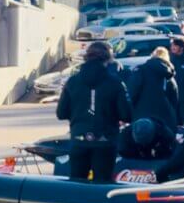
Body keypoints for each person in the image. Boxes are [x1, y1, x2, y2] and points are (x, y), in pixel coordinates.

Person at [56, 41, 132, 182]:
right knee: (102, 186)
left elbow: (61, 113)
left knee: (77, 184)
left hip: (79, 138)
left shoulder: (72, 81)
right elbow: (126, 115)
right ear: (108, 58)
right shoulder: (115, 83)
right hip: (105, 140)